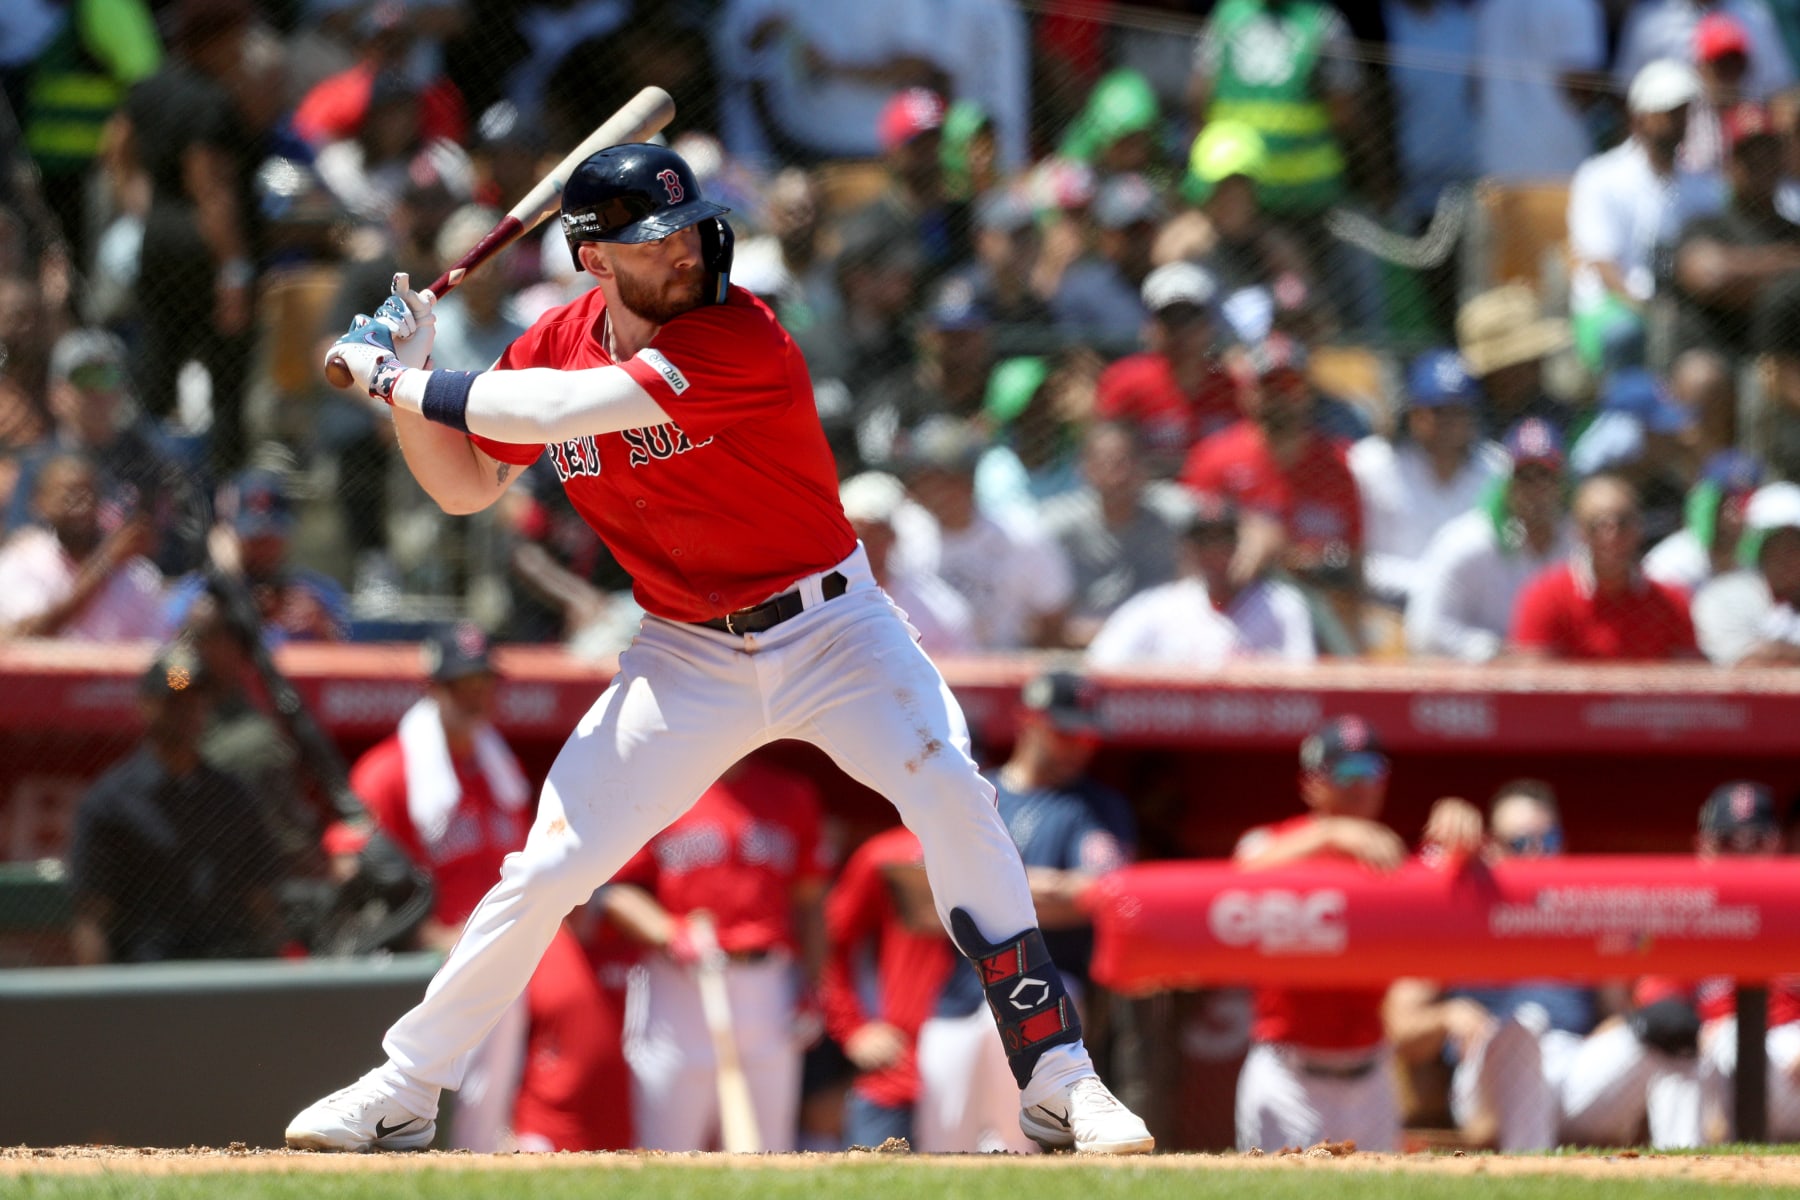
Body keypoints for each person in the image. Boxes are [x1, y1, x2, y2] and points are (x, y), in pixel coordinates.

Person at [288, 141, 1154, 1155]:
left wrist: (398, 376)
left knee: (953, 792)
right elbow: (467, 483)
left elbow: (565, 413)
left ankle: (1058, 1079)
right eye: (654, 242)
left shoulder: (740, 338)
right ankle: (406, 1085)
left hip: (834, 629)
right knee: (551, 864)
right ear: (594, 259)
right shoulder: (554, 344)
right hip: (684, 654)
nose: (687, 252)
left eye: (689, 228)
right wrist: (414, 387)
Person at [328, 622, 536, 1151]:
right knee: (426, 1110)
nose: (476, 698)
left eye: (484, 684)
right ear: (432, 689)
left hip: (499, 962)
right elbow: (347, 867)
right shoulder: (390, 770)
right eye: (462, 685)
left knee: (485, 1116)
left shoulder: (499, 769)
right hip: (424, 970)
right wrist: (426, 934)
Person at [1233, 716, 1482, 1152]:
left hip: (1372, 1073)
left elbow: (1453, 884)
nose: (1360, 784)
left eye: (1371, 770)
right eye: (1345, 771)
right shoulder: (1275, 843)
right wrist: (1330, 832)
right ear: (1311, 782)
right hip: (1290, 1074)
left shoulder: (1389, 855)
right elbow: (1235, 880)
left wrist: (1459, 826)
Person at [916, 670, 1137, 1155]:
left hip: (1044, 989)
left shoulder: (1094, 808)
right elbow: (918, 895)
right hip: (956, 996)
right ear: (1028, 722)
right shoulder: (977, 793)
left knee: (1021, 1147)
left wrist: (979, 886)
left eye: (1086, 734)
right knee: (940, 1145)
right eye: (1065, 731)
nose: (1078, 746)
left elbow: (1102, 893)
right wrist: (1042, 889)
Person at [601, 755, 830, 1152]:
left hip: (766, 984)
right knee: (667, 1147)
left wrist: (812, 982)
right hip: (681, 987)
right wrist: (667, 930)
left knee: (765, 1150)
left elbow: (810, 901)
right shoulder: (656, 788)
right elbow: (614, 889)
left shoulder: (791, 793)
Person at [1383, 781, 1604, 1151]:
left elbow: (1620, 1014)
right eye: (1519, 844)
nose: (1535, 854)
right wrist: (1446, 1015)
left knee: (1665, 1041)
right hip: (1487, 1069)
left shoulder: (1583, 912)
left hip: (1573, 1071)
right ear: (1491, 847)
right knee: (1521, 1030)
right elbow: (1399, 1026)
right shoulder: (1465, 911)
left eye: (1547, 841)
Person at [67, 639, 286, 963]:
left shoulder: (232, 796)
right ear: (145, 705)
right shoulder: (110, 803)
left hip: (230, 974)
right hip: (150, 981)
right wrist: (99, 1004)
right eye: (175, 699)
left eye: (197, 699)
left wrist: (280, 984)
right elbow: (92, 916)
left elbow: (261, 901)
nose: (188, 710)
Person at [1180, 332, 1363, 649]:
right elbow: (1189, 561)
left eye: (1289, 386)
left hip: (1320, 614)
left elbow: (1353, 561)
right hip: (1232, 616)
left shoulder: (1338, 465)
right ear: (1248, 393)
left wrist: (1288, 554)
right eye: (1268, 386)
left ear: (1307, 393)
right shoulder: (1214, 459)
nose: (1279, 397)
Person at [1568, 59, 1726, 372]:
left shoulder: (1704, 187)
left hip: (1680, 308)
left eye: (1683, 111)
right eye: (1668, 111)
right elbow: (1601, 262)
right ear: (1639, 118)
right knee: (1625, 335)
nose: (1678, 120)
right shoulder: (1599, 177)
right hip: (1610, 309)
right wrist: (1644, 308)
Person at [819, 822, 957, 1150]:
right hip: (899, 1064)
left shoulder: (1001, 850)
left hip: (989, 1064)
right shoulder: (886, 853)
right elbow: (831, 944)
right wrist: (852, 1027)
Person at [895, 416, 1076, 651]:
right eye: (922, 480)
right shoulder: (901, 535)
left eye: (942, 480)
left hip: (1004, 671)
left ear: (968, 480)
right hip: (927, 670)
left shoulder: (1021, 533)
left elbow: (1053, 615)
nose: (931, 491)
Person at [1349, 350, 1509, 610]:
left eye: (1459, 412)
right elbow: (1356, 558)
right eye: (1438, 411)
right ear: (1413, 414)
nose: (1449, 423)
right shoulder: (1371, 463)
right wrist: (1429, 584)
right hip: (1385, 605)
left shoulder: (1497, 469)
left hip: (1467, 609)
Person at [1405, 418, 1572, 661]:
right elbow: (1425, 631)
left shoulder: (1579, 544)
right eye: (1524, 477)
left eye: (1545, 476)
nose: (1535, 490)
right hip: (1475, 686)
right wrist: (1495, 652)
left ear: (1562, 484)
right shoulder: (1466, 542)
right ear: (1506, 483)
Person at [1087, 493, 1315, 668]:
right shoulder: (1158, 607)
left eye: (1224, 541)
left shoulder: (1283, 605)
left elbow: (1305, 678)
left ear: (1240, 545)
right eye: (1204, 543)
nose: (1215, 553)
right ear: (1189, 551)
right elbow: (1101, 662)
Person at [1508, 474, 1699, 661]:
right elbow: (1531, 679)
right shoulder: (1546, 597)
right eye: (1596, 525)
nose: (1610, 537)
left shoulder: (1671, 603)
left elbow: (1688, 680)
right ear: (1579, 532)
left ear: (1638, 528)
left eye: (1622, 523)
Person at [1039, 422, 1187, 648]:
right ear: (1083, 468)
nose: (1118, 475)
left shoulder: (1171, 514)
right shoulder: (1056, 526)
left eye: (1125, 462)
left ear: (1143, 466)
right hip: (1079, 652)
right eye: (1106, 463)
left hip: (1160, 653)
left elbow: (1244, 521)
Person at [164, 468, 349, 644]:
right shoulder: (194, 597)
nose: (263, 547)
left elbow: (352, 673)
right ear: (226, 535)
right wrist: (229, 602)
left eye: (271, 537)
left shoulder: (319, 594)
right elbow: (174, 676)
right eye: (254, 538)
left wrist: (324, 631)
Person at [1092, 262, 1239, 478]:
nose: (1182, 331)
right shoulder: (1125, 382)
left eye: (1190, 318)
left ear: (1209, 325)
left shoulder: (1229, 385)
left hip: (1218, 499)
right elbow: (1106, 457)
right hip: (1147, 498)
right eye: (1170, 319)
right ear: (1152, 327)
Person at [0, 451, 166, 640]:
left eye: (89, 494)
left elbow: (166, 659)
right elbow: (30, 634)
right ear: (40, 503)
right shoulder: (20, 562)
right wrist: (104, 563)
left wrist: (183, 670)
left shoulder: (137, 576)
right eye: (68, 496)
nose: (81, 504)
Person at [838, 470, 973, 657]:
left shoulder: (940, 613)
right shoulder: (816, 601)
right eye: (855, 530)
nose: (863, 541)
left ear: (892, 536)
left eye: (875, 532)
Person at [1471, 0, 1605, 183]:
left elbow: (1475, 89)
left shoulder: (1491, 7)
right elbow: (1581, 85)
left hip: (1497, 157)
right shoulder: (1574, 5)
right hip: (1558, 162)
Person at [1691, 479, 1800, 664]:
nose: (1787, 555)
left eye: (1795, 544)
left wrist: (1778, 652)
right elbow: (1747, 667)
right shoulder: (1722, 597)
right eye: (1776, 544)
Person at [1454, 285, 1574, 439]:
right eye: (1523, 362)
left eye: (1535, 358)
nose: (1537, 366)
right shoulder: (1460, 423)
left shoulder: (1557, 416)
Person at [1644, 449, 1763, 597]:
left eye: (1745, 502)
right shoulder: (1672, 564)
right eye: (1727, 503)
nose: (1736, 514)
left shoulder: (1753, 565)